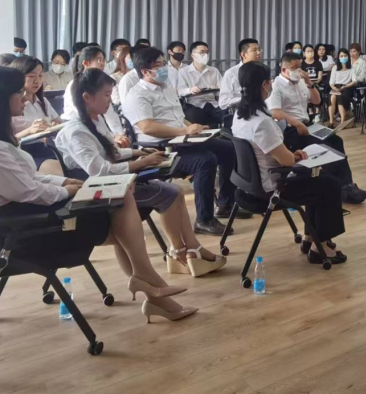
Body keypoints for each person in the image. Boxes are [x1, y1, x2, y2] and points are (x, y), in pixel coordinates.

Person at [0, 66, 195, 323]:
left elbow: (28, 178)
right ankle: (149, 281)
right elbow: (29, 190)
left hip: (23, 217)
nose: (25, 99)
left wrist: (64, 181)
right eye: (18, 94)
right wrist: (65, 190)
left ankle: (152, 288)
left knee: (122, 206)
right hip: (27, 232)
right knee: (123, 210)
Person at [56, 69, 225, 277]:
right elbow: (100, 171)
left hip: (115, 183)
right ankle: (182, 252)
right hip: (100, 191)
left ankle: (187, 249)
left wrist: (137, 152)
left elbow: (111, 153)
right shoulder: (76, 131)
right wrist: (141, 163)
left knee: (175, 192)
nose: (110, 100)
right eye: (106, 95)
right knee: (170, 194)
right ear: (87, 97)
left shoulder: (95, 120)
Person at [232, 62, 347, 265]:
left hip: (248, 185)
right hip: (271, 188)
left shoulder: (240, 115)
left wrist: (291, 154)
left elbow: (272, 152)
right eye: (269, 81)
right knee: (328, 184)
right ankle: (321, 246)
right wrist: (293, 156)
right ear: (265, 84)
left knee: (318, 180)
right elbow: (285, 161)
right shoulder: (262, 121)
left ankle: (311, 238)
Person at [121, 46, 241, 235]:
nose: (164, 68)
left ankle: (226, 203)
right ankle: (204, 220)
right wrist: (185, 130)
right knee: (205, 160)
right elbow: (148, 127)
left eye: (163, 63)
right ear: (145, 71)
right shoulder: (137, 95)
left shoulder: (166, 87)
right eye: (159, 65)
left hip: (184, 139)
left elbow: (177, 117)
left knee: (229, 148)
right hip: (162, 149)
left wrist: (195, 127)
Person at [269, 52, 366, 204]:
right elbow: (275, 112)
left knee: (336, 141)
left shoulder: (301, 81)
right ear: (284, 70)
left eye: (300, 67)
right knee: (326, 147)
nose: (298, 70)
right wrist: (297, 123)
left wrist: (309, 82)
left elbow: (316, 101)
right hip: (292, 129)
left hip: (308, 125)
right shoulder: (277, 85)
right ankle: (340, 189)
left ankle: (347, 185)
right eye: (294, 68)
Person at [60, 45, 127, 144]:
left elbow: (110, 114)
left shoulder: (100, 83)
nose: (103, 64)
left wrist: (120, 135)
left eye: (104, 60)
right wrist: (111, 138)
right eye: (99, 60)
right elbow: (82, 114)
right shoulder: (75, 84)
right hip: (76, 128)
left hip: (93, 125)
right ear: (86, 63)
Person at [8, 56, 61, 140]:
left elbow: (58, 121)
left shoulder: (43, 101)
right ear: (18, 77)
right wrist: (29, 131)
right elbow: (4, 140)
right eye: (32, 76)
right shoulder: (12, 104)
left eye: (40, 75)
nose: (37, 81)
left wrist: (54, 124)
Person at [176, 40, 224, 126]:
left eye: (207, 52)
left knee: (225, 116)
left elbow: (223, 90)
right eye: (202, 52)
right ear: (193, 55)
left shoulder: (214, 71)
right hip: (194, 104)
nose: (205, 55)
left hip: (213, 103)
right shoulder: (183, 72)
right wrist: (190, 90)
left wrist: (216, 89)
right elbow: (180, 90)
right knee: (195, 116)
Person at [219, 38, 262, 110]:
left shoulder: (261, 71)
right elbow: (223, 102)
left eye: (259, 49)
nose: (259, 53)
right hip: (240, 111)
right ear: (243, 54)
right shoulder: (231, 74)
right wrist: (245, 99)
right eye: (254, 50)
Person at [327, 50, 358, 130]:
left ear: (348, 57)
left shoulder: (352, 68)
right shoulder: (335, 67)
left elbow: (354, 81)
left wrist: (345, 86)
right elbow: (331, 82)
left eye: (345, 56)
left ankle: (342, 122)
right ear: (338, 57)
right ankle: (331, 122)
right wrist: (334, 88)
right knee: (332, 97)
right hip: (336, 87)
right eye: (341, 56)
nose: (343, 57)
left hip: (347, 87)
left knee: (340, 97)